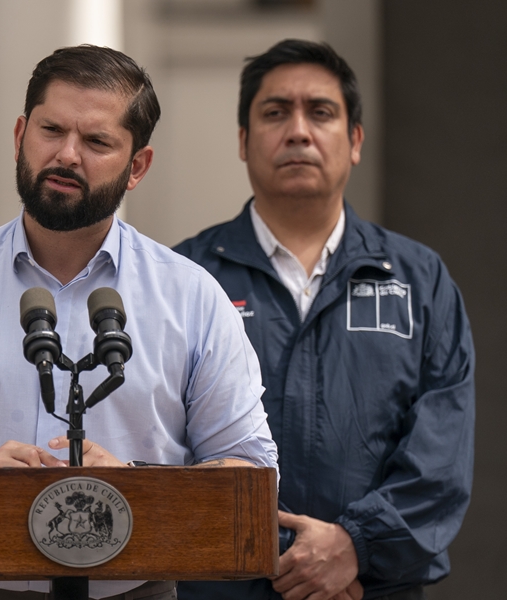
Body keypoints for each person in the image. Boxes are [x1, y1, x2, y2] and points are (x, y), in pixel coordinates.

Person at [0, 45, 279, 600]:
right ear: (21, 134)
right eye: (51, 130)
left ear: (137, 166)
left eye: (97, 141)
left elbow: (251, 482)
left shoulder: (192, 298)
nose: (67, 154)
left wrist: (135, 487)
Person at [174, 39, 475, 600]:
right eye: (274, 112)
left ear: (355, 140)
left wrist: (354, 548)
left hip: (370, 589)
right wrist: (285, 559)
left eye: (320, 112)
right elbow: (156, 444)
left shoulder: (419, 279)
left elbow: (441, 457)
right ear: (243, 141)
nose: (298, 131)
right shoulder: (185, 278)